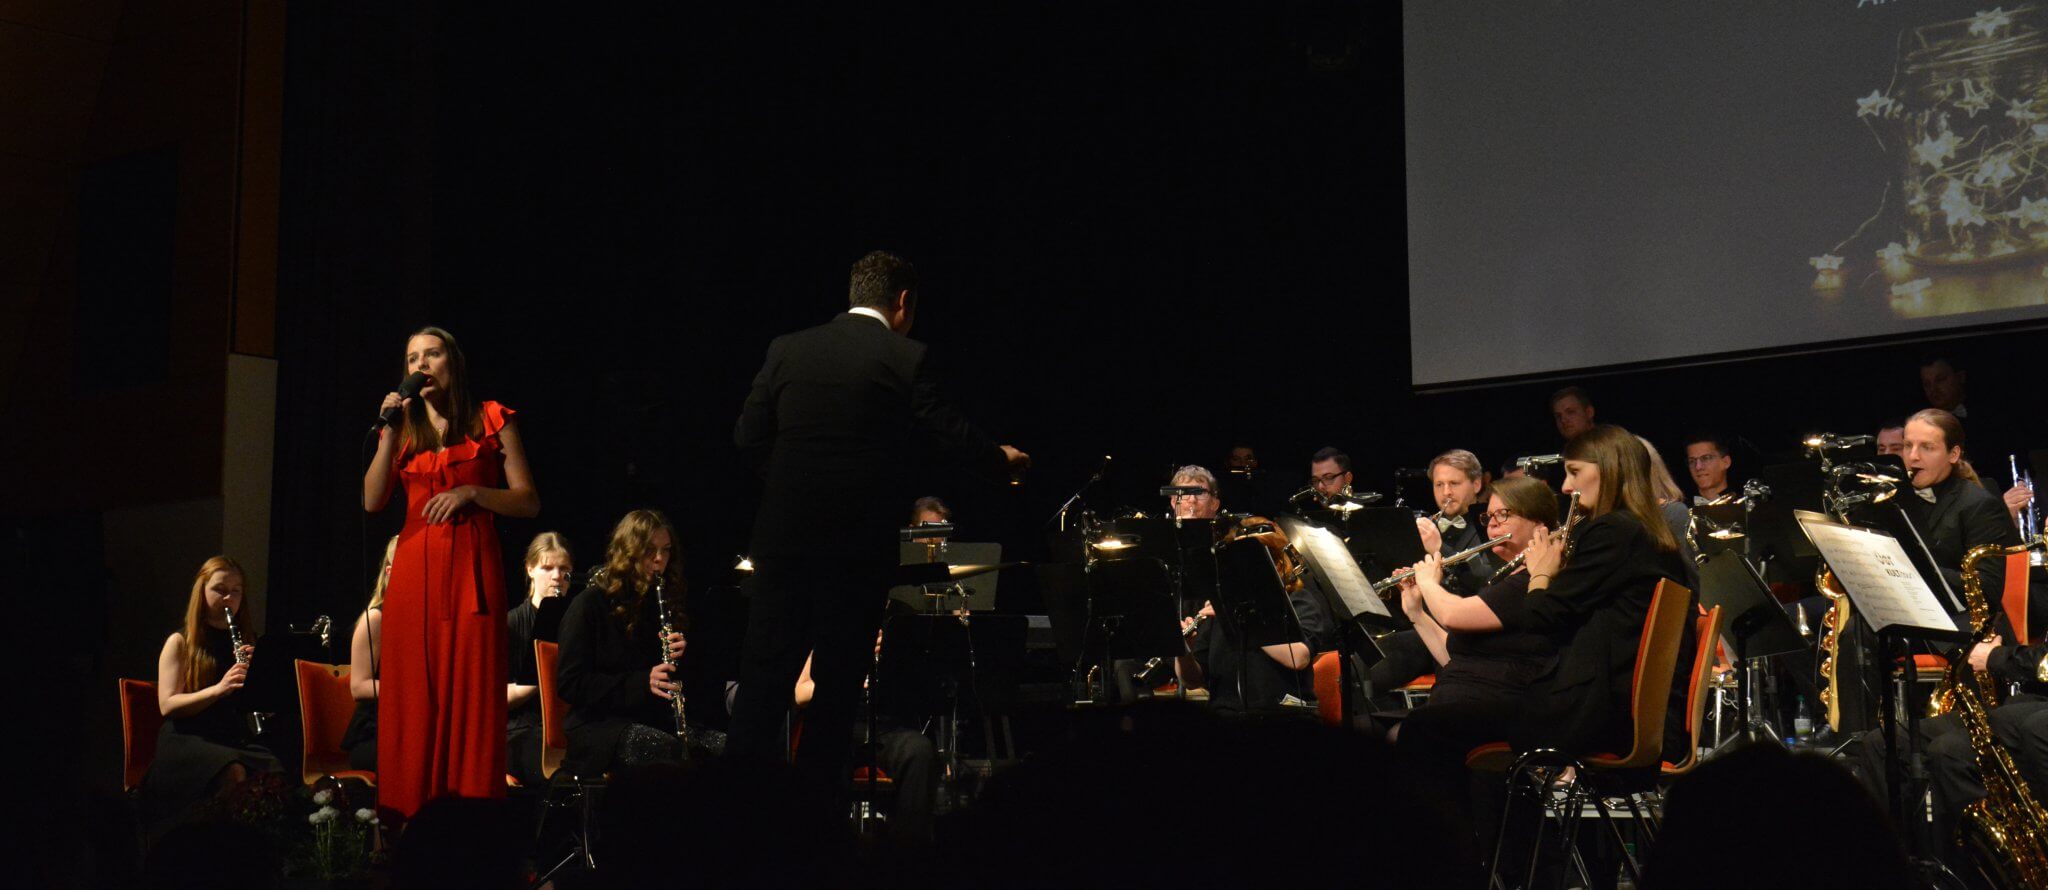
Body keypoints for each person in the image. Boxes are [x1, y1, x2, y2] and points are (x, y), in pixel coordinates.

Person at [729, 250, 1029, 790]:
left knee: (763, 683)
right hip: (855, 551)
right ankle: (814, 826)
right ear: (904, 302)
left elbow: (747, 437)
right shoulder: (904, 357)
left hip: (784, 541)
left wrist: (798, 488)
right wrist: (999, 460)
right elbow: (950, 433)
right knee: (836, 688)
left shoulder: (787, 349)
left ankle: (735, 823)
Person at [1396, 425, 1692, 837]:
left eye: (1574, 471)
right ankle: (1496, 858)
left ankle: (1456, 861)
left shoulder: (1613, 532)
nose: (1567, 486)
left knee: (1424, 728)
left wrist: (1540, 573)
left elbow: (1545, 615)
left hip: (1595, 715)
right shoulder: (1645, 535)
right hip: (1614, 708)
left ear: (1608, 470)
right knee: (1447, 721)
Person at [361, 326, 539, 819]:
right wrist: (389, 429)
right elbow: (373, 500)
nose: (422, 363)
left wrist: (474, 493)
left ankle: (472, 830)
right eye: (413, 356)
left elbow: (528, 500)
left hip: (471, 573)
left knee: (472, 699)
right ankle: (403, 825)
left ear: (452, 362)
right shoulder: (402, 430)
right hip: (415, 573)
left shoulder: (490, 418)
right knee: (413, 700)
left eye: (432, 353)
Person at [1169, 465, 1338, 713]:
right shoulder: (1221, 604)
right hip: (1225, 714)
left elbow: (1299, 657)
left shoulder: (1296, 597)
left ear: (1276, 561)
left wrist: (1236, 618)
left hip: (1281, 714)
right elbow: (1194, 680)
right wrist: (1181, 650)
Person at [1393, 476, 1562, 720]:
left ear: (1539, 525)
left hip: (1501, 713)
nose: (1492, 525)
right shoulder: (1505, 579)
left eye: (1503, 514)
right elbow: (1458, 659)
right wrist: (1416, 613)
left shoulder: (1529, 583)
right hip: (1464, 703)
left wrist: (1428, 583)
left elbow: (1453, 615)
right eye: (1488, 517)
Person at [558, 511, 706, 774]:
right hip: (597, 725)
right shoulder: (590, 604)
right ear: (628, 553)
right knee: (662, 749)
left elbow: (679, 683)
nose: (659, 559)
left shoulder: (663, 604)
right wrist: (641, 682)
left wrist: (685, 656)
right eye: (650, 550)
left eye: (666, 550)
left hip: (649, 718)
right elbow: (570, 684)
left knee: (722, 747)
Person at [145, 556, 280, 824]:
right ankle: (216, 845)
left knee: (278, 771)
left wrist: (259, 678)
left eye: (235, 591)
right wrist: (219, 689)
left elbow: (258, 705)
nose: (228, 597)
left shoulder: (247, 644)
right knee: (233, 772)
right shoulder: (180, 642)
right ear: (202, 592)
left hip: (228, 736)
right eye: (220, 589)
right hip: (187, 739)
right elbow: (167, 705)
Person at [506, 532, 572, 787]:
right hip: (519, 732)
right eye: (547, 567)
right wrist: (539, 680)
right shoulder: (511, 624)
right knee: (562, 778)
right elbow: (489, 699)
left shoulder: (576, 621)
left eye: (563, 568)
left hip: (566, 728)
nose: (557, 576)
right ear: (530, 569)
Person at [341, 537, 398, 772]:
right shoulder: (376, 619)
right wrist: (412, 693)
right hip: (376, 733)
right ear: (389, 572)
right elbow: (359, 686)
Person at [1417, 449, 1502, 590]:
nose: (1446, 492)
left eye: (1454, 483)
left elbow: (1487, 581)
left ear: (1476, 485)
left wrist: (1440, 549)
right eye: (1439, 484)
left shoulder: (1492, 524)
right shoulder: (1427, 527)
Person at [1683, 433, 1734, 502]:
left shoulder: (1746, 508)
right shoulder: (1679, 510)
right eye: (1692, 461)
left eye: (1706, 458)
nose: (1698, 467)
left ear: (1726, 462)